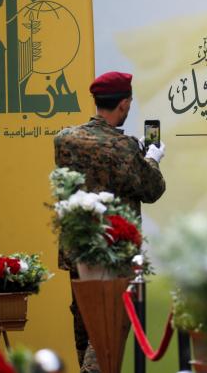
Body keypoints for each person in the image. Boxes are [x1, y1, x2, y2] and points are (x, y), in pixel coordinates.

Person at [53, 71, 166, 373]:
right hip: (114, 253)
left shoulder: (65, 140)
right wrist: (151, 158)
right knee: (107, 334)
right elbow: (152, 189)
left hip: (78, 251)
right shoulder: (124, 146)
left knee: (85, 327)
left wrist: (133, 154)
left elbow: (96, 167)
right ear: (124, 104)